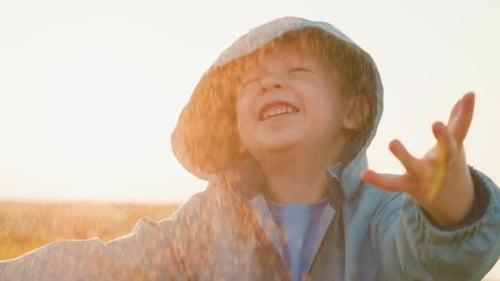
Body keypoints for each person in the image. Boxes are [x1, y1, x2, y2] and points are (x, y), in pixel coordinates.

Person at [1, 16, 499, 281]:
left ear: (352, 111)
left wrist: (451, 204)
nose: (269, 85)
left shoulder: (385, 215)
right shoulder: (204, 225)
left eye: (296, 73)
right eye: (252, 82)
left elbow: (440, 263)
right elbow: (105, 267)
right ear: (234, 126)